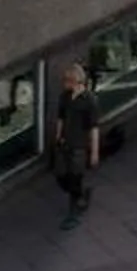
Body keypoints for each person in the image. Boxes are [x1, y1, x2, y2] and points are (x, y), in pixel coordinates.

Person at [50, 64, 98, 229]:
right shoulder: (65, 97)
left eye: (66, 80)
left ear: (75, 81)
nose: (63, 83)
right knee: (61, 176)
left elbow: (93, 127)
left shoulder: (89, 100)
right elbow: (61, 118)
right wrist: (57, 136)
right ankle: (81, 195)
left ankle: (73, 213)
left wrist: (94, 152)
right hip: (65, 143)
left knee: (75, 177)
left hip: (79, 145)